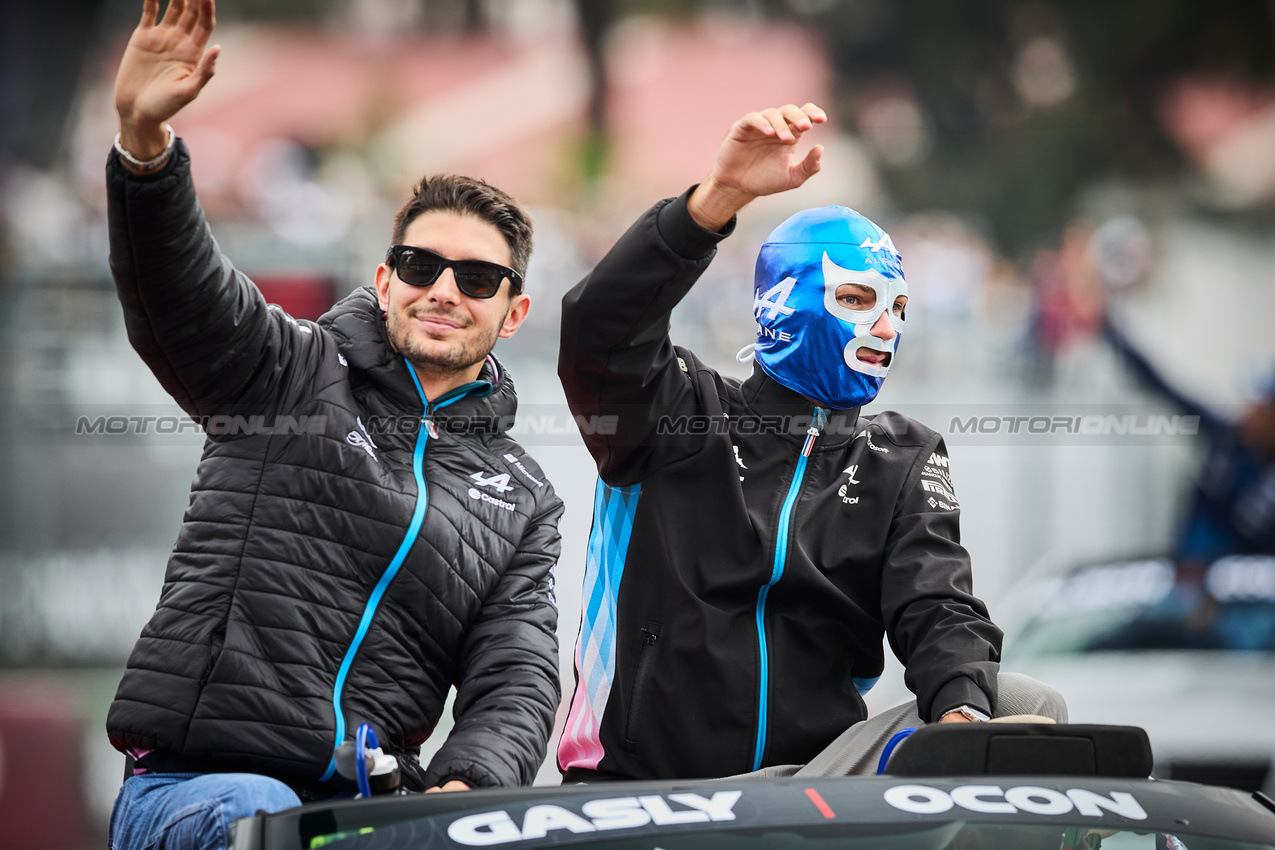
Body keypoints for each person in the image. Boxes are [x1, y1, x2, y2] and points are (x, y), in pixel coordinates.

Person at [105, 1, 562, 847]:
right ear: (385, 282)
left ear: (515, 310)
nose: (444, 290)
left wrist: (467, 787)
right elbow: (182, 294)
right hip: (198, 788)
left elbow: (517, 676)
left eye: (476, 278)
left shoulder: (526, 499)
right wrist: (144, 149)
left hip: (366, 813)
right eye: (421, 266)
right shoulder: (289, 368)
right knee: (258, 817)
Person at [556, 103, 1064, 781]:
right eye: (857, 300)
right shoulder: (675, 410)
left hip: (812, 787)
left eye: (898, 309)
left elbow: (936, 604)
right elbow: (597, 329)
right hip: (646, 783)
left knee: (1024, 703)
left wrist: (962, 714)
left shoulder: (903, 457)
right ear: (779, 302)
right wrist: (715, 202)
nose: (885, 329)